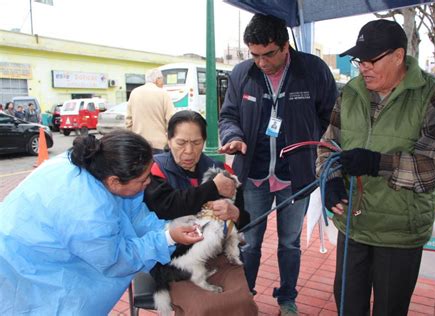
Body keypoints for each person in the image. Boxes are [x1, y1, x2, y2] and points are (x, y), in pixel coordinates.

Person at [316, 19, 435, 315]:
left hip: (399, 232)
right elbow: (328, 146)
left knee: (390, 310)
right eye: (359, 60)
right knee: (347, 306)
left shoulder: (433, 96)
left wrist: (378, 163)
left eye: (371, 59)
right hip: (354, 225)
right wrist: (330, 179)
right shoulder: (350, 93)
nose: (363, 67)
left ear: (398, 56)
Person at [0, 130, 203, 315]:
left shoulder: (96, 164)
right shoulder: (88, 212)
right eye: (142, 180)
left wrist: (165, 228)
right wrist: (166, 238)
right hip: (22, 268)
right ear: (115, 181)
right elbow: (116, 260)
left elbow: (134, 213)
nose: (149, 182)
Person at [218, 14, 338, 315]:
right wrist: (233, 137)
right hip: (254, 175)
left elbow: (331, 117)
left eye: (268, 54)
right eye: (254, 55)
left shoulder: (313, 70)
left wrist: (310, 143)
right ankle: (244, 297)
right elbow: (228, 116)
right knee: (249, 242)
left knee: (290, 243)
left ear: (285, 46)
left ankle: (287, 299)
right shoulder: (242, 74)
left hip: (296, 177)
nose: (261, 62)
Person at [144, 110, 258, 316]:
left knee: (243, 304)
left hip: (217, 256)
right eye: (181, 142)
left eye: (196, 143)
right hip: (174, 261)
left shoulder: (222, 170)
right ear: (169, 141)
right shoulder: (154, 170)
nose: (189, 151)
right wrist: (213, 188)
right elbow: (167, 206)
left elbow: (245, 220)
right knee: (202, 308)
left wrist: (235, 213)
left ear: (204, 142)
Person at [126, 67, 175, 153]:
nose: (163, 83)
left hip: (139, 143)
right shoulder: (163, 94)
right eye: (162, 79)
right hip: (159, 144)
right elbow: (171, 119)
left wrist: (132, 139)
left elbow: (128, 120)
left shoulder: (134, 92)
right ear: (157, 80)